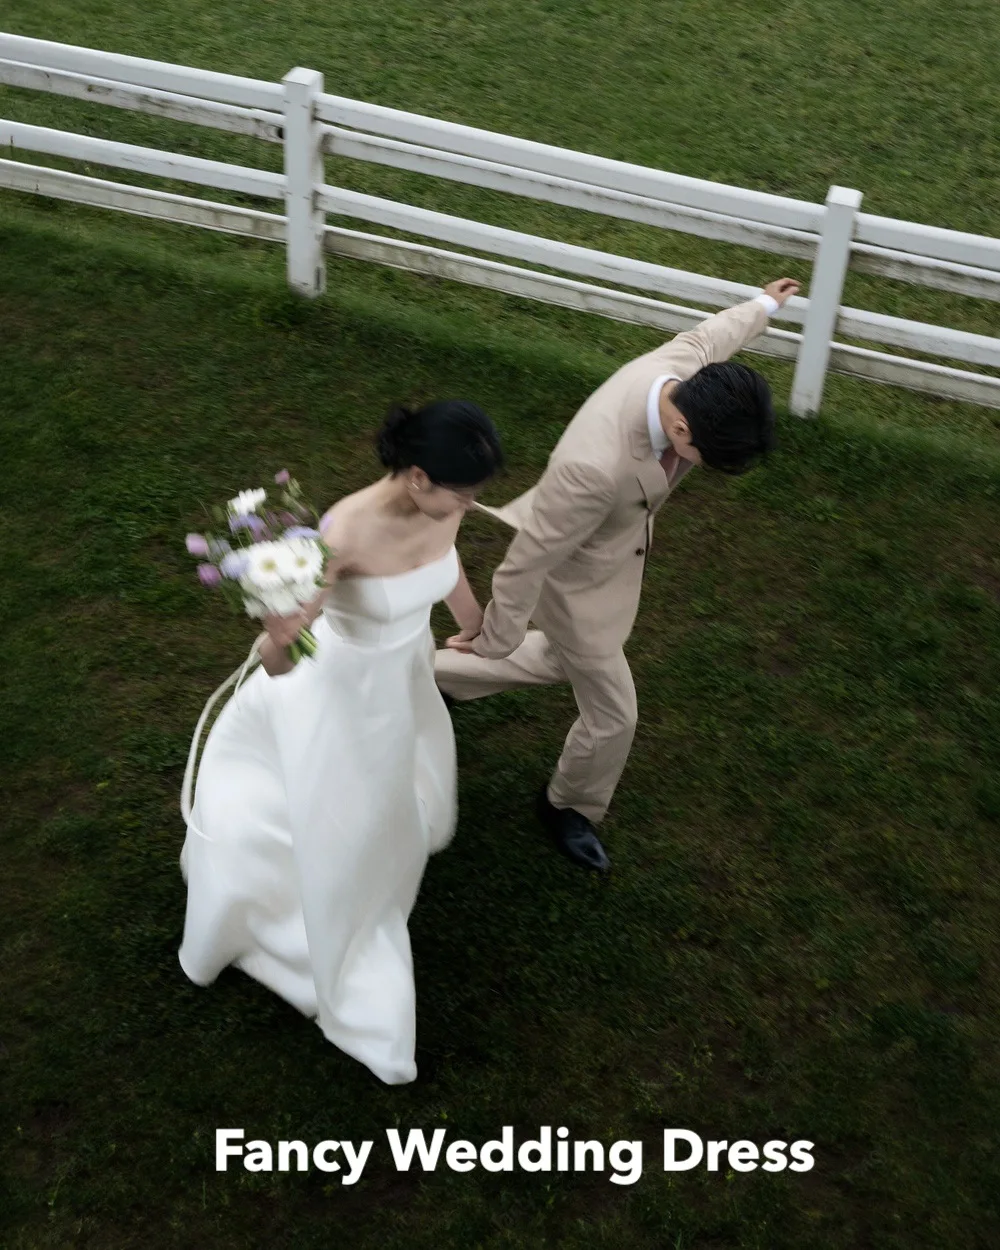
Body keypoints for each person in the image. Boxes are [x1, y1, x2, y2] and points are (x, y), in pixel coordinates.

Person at [178, 400, 502, 1084]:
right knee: (346, 821)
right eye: (463, 494)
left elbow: (445, 560)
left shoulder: (438, 510)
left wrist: (471, 619)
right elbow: (280, 660)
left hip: (401, 674)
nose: (470, 507)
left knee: (395, 792)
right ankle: (321, 931)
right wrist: (274, 620)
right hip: (344, 695)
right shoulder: (342, 534)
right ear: (417, 477)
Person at [435, 279, 801, 872]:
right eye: (707, 460)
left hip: (605, 549)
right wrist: (490, 636)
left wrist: (763, 306)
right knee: (614, 713)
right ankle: (566, 806)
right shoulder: (593, 470)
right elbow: (527, 560)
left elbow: (711, 337)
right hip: (577, 582)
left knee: (557, 661)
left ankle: (435, 679)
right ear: (683, 433)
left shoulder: (681, 373)